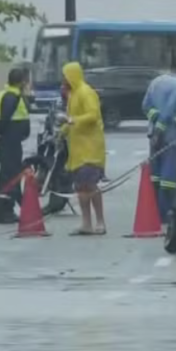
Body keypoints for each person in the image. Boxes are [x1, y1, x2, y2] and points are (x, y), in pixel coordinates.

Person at [142, 53, 176, 232]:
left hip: (153, 134)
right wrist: (161, 129)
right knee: (168, 178)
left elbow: (145, 105)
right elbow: (169, 110)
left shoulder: (156, 82)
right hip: (170, 136)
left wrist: (155, 124)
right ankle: (164, 213)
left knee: (155, 175)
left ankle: (152, 210)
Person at [59, 62, 108, 235]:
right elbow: (71, 119)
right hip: (77, 151)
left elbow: (93, 115)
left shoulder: (86, 92)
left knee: (91, 185)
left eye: (65, 75)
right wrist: (62, 132)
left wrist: (72, 121)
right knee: (81, 188)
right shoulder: (73, 95)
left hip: (90, 149)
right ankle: (86, 223)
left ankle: (100, 222)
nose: (63, 79)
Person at [0, 68, 32, 223]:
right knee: (10, 177)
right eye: (26, 81)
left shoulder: (10, 94)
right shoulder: (11, 96)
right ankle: (3, 212)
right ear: (21, 82)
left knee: (8, 176)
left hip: (11, 142)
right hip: (9, 143)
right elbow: (5, 117)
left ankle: (6, 210)